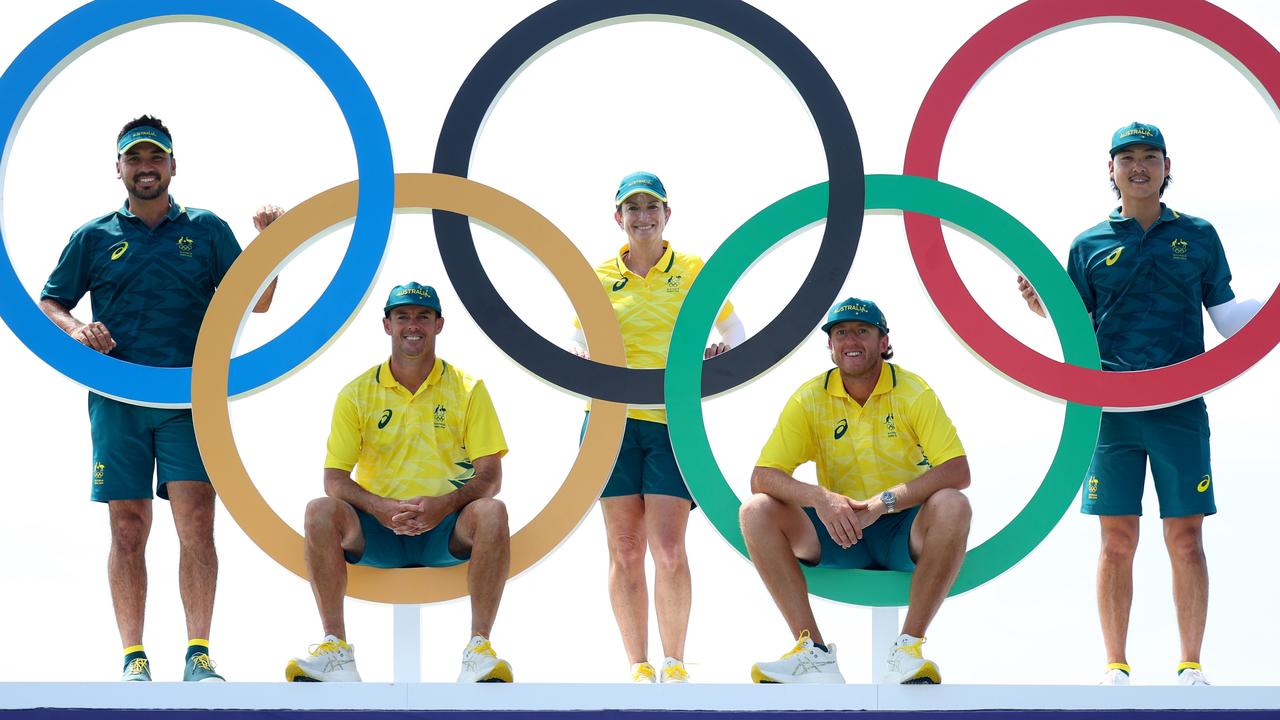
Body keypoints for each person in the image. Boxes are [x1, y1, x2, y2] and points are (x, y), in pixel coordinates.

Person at [39, 115, 282, 682]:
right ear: (119, 167)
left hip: (188, 397)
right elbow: (51, 302)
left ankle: (199, 653)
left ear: (173, 165)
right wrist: (76, 329)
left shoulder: (207, 228)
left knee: (197, 520)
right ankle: (134, 659)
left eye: (155, 158)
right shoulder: (94, 236)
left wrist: (270, 243)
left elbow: (260, 302)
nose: (145, 167)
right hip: (117, 395)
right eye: (135, 158)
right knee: (127, 525)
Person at [1017, 122, 1261, 686]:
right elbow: (1073, 329)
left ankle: (1191, 666)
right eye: (1127, 158)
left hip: (1179, 406)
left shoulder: (1199, 235)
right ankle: (1115, 667)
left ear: (1167, 166)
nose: (1139, 166)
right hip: (1108, 411)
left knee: (1186, 537)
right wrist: (1042, 307)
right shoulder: (1087, 244)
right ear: (1111, 170)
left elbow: (1225, 317)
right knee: (1116, 539)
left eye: (1150, 156)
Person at [285, 283, 513, 683]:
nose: (413, 325)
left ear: (439, 324)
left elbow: (491, 475)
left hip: (446, 530)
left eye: (423, 316)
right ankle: (335, 650)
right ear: (386, 325)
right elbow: (334, 479)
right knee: (319, 510)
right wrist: (380, 508)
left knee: (492, 512)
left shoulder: (467, 388)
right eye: (403, 316)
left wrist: (443, 504)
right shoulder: (356, 394)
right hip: (377, 532)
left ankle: (479, 649)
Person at [741, 298, 971, 685]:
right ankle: (812, 654)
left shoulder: (913, 391)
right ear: (829, 346)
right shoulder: (810, 398)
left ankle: (907, 650)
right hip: (839, 530)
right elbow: (763, 476)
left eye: (862, 331)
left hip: (904, 528)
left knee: (953, 504)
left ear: (883, 342)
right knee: (756, 510)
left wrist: (884, 503)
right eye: (841, 332)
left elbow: (957, 470)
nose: (851, 340)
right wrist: (822, 499)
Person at [571, 172, 745, 683]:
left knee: (668, 548)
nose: (642, 216)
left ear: (667, 215)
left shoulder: (693, 269)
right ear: (617, 218)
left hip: (673, 424)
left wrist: (718, 356)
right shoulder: (597, 275)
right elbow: (578, 342)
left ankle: (675, 663)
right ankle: (638, 665)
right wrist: (584, 359)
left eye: (652, 207)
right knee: (625, 548)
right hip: (610, 422)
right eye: (632, 208)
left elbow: (735, 330)